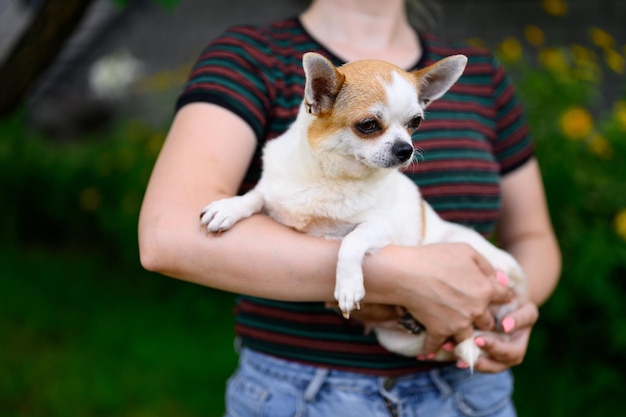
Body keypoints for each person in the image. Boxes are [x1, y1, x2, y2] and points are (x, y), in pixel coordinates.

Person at [138, 0, 561, 415]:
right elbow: (168, 237)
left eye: (413, 123)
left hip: (470, 393)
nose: (403, 145)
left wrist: (508, 314)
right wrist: (403, 279)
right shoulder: (250, 57)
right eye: (369, 125)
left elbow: (532, 237)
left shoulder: (484, 76)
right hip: (297, 394)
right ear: (317, 95)